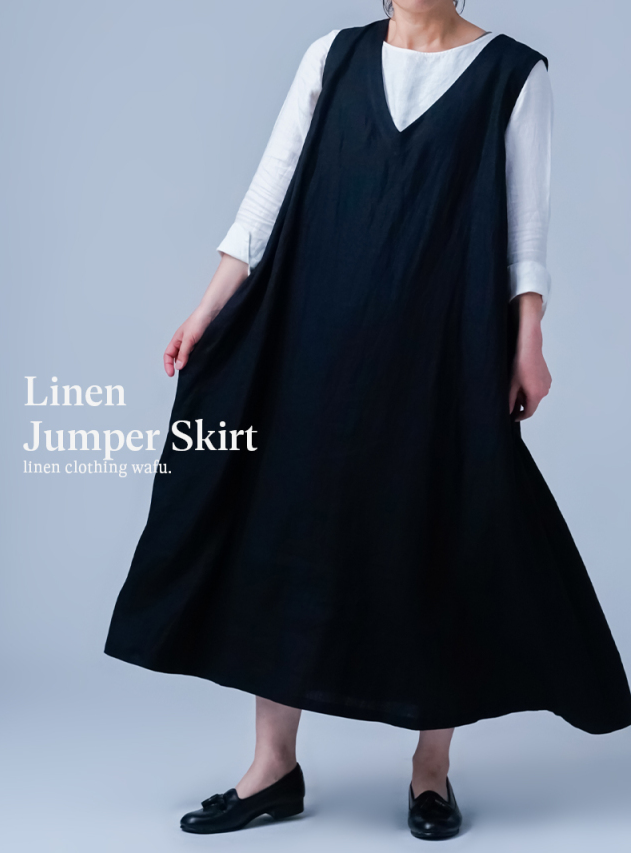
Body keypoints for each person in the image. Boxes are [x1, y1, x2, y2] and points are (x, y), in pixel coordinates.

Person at [104, 0, 631, 841]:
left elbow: (525, 228)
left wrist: (528, 338)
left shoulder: (513, 74)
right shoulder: (334, 57)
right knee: (286, 526)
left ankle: (431, 770)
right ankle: (273, 769)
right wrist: (205, 309)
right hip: (312, 338)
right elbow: (267, 194)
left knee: (441, 528)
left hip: (446, 345)